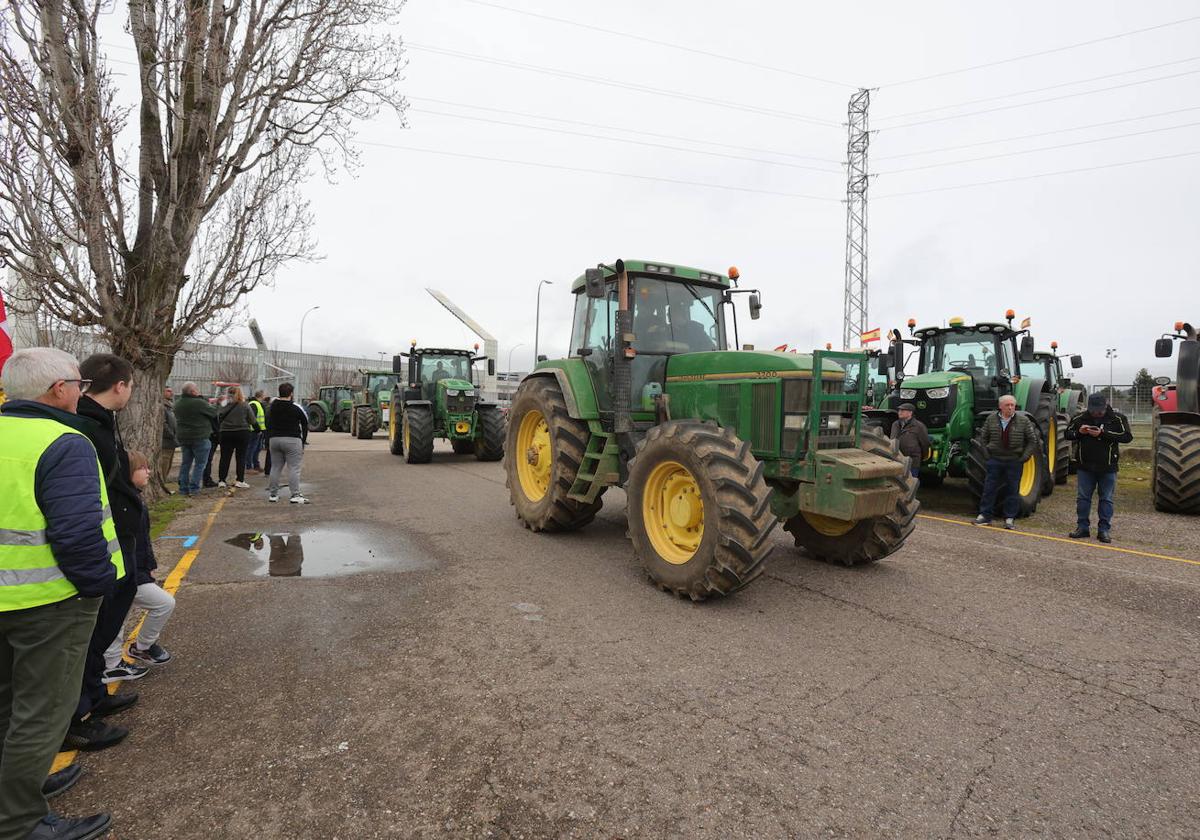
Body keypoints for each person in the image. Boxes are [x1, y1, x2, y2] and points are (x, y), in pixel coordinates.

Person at [0, 348, 121, 840]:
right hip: (49, 602)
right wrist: (95, 588)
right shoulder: (63, 442)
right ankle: (18, 823)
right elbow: (76, 532)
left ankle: (17, 789)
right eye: (78, 383)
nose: (81, 390)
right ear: (57, 390)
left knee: (8, 705)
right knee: (43, 713)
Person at [65, 354, 142, 753]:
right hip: (100, 541)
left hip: (118, 535)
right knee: (91, 630)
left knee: (106, 623)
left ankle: (95, 695)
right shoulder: (84, 426)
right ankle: (78, 716)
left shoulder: (98, 421)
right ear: (121, 385)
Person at [102, 451, 175, 673]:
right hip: (122, 572)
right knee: (121, 615)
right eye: (143, 468)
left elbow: (142, 541)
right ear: (127, 471)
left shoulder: (135, 500)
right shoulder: (120, 504)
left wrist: (148, 565)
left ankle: (137, 649)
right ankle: (112, 663)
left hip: (135, 570)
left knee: (131, 611)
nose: (149, 472)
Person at [1066, 392, 1134, 543]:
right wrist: (1080, 432)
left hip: (1108, 466)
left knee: (1106, 499)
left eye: (1100, 409)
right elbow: (1067, 434)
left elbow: (1127, 437)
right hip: (1085, 466)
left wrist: (1103, 433)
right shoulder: (1079, 418)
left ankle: (1104, 530)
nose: (1097, 412)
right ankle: (1082, 528)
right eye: (1093, 409)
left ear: (1106, 405)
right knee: (1083, 498)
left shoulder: (1118, 418)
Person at [973, 394, 1040, 530]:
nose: (1010, 408)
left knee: (1012, 490)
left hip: (1014, 461)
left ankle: (1009, 518)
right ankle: (985, 515)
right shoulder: (991, 419)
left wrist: (1024, 457)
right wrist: (986, 455)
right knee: (989, 489)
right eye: (1007, 405)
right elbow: (983, 437)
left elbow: (1032, 440)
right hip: (995, 460)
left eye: (1012, 405)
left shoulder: (1023, 421)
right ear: (1000, 407)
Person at [266, 382, 309, 504]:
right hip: (292, 440)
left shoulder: (272, 407)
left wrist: (268, 438)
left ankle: (273, 494)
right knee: (294, 468)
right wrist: (303, 440)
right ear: (291, 393)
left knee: (275, 467)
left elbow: (267, 423)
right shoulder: (295, 407)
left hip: (274, 440)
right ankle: (295, 494)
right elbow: (305, 423)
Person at [174, 382, 217, 496]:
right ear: (192, 391)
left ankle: (183, 488)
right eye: (196, 389)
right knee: (200, 464)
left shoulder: (177, 404)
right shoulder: (199, 403)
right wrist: (219, 403)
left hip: (184, 437)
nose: (198, 391)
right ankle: (194, 488)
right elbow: (213, 412)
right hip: (200, 436)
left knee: (186, 463)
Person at [216, 386, 254, 489]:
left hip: (226, 433)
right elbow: (252, 420)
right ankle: (240, 480)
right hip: (242, 432)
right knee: (241, 457)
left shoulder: (223, 405)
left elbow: (218, 417)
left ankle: (222, 480)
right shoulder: (245, 405)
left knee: (225, 457)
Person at [890, 403, 930, 479]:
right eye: (899, 410)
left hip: (913, 461)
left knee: (911, 483)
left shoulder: (919, 426)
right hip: (897, 460)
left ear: (910, 413)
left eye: (903, 410)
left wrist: (921, 457)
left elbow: (925, 444)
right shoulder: (895, 425)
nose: (899, 412)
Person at [159, 387, 177, 494]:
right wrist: (171, 434)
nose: (171, 393)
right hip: (165, 442)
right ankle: (162, 486)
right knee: (164, 465)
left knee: (168, 465)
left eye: (171, 390)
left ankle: (164, 486)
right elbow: (163, 424)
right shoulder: (163, 406)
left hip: (171, 442)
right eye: (168, 391)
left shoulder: (170, 406)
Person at [246, 390, 268, 474]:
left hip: (258, 430)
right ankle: (249, 467)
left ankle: (256, 465)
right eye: (264, 395)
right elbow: (252, 418)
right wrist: (257, 429)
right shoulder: (254, 404)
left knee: (257, 449)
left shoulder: (257, 404)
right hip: (253, 430)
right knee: (251, 449)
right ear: (261, 396)